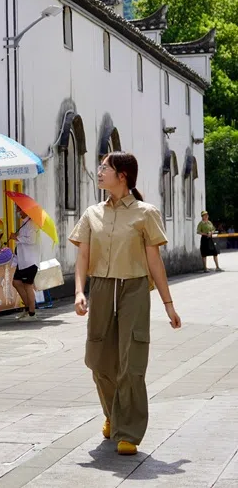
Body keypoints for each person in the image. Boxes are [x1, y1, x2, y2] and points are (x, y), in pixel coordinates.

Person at [70, 152, 181, 457]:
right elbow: (82, 257)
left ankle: (128, 430)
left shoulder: (146, 213)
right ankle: (113, 413)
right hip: (102, 288)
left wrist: (168, 304)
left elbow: (154, 261)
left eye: (105, 167)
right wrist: (80, 292)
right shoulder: (92, 213)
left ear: (123, 176)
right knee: (98, 359)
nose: (99, 171)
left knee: (131, 361)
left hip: (133, 288)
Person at [9, 205, 40, 321]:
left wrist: (16, 238)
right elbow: (24, 238)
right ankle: (27, 309)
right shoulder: (24, 224)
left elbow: (31, 240)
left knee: (28, 285)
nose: (18, 212)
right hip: (22, 261)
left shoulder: (32, 224)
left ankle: (32, 313)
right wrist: (17, 236)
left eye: (19, 209)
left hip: (29, 261)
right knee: (16, 282)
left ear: (25, 210)